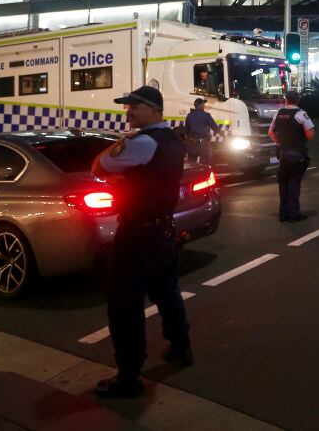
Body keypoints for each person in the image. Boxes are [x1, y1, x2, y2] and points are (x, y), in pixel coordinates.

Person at [91, 86, 192, 399]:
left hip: (137, 233)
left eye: (135, 106)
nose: (128, 111)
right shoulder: (172, 140)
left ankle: (129, 376)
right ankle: (180, 347)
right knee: (166, 291)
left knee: (124, 303)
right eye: (128, 106)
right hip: (162, 230)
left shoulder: (142, 142)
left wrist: (119, 163)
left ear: (155, 111)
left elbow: (97, 167)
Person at [268, 90, 315, 222]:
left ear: (286, 100)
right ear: (298, 100)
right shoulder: (301, 114)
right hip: (296, 153)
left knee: (283, 183)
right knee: (294, 182)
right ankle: (294, 213)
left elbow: (270, 132)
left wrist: (279, 142)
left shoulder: (278, 113)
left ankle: (283, 213)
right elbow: (310, 134)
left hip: (283, 153)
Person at [184, 98, 221, 164]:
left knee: (191, 163)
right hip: (204, 144)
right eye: (203, 104)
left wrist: (188, 144)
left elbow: (186, 132)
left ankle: (192, 173)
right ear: (200, 105)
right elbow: (215, 127)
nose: (204, 105)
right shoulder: (206, 115)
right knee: (204, 163)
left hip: (192, 143)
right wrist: (223, 134)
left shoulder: (189, 116)